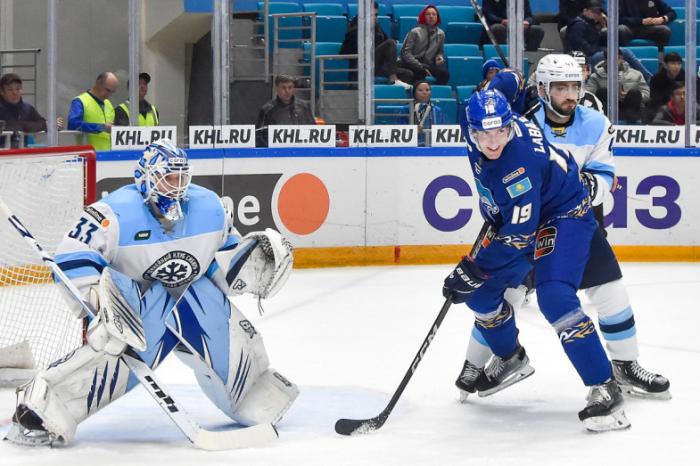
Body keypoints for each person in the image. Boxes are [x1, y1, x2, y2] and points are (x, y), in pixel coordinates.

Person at [6, 139, 299, 446]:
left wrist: (249, 268)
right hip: (136, 313)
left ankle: (253, 391)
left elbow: (221, 265)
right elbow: (71, 257)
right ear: (144, 178)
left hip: (192, 300)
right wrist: (98, 300)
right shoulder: (113, 212)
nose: (176, 187)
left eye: (181, 178)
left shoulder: (209, 207)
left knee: (205, 303)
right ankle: (48, 407)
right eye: (168, 178)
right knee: (112, 345)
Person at [457, 54, 670, 407]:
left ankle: (626, 366)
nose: (570, 94)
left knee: (610, 293)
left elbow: (605, 178)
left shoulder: (596, 123)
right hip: (525, 223)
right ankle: (479, 361)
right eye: (560, 87)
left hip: (572, 219)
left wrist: (569, 191)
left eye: (574, 86)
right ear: (542, 89)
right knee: (501, 293)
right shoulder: (517, 122)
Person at [446, 89, 629, 432]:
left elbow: (519, 234)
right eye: (484, 133)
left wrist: (474, 267)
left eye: (500, 131)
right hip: (520, 214)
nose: (493, 141)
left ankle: (605, 385)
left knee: (555, 296)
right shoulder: (474, 120)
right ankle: (509, 356)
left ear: (509, 127)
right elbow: (505, 81)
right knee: (481, 293)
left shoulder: (518, 165)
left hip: (563, 214)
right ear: (471, 129)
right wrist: (506, 81)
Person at [565, 0, 652, 82]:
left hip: (592, 53)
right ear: (585, 11)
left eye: (598, 13)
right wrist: (603, 51)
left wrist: (605, 25)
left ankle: (640, 79)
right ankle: (649, 78)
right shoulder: (578, 25)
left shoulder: (590, 23)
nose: (596, 15)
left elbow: (597, 41)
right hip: (583, 60)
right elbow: (581, 48)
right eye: (593, 12)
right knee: (624, 52)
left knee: (618, 52)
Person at [340, 1, 411, 88]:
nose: (375, 18)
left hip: (377, 65)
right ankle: (393, 79)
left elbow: (385, 44)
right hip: (362, 66)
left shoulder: (377, 28)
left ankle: (397, 98)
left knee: (408, 73)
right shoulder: (354, 30)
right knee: (390, 43)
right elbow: (344, 52)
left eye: (376, 15)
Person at [0, 73, 64, 148]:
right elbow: (14, 126)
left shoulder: (27, 108)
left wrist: (53, 124)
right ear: (2, 91)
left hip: (22, 153)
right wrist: (44, 125)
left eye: (18, 89)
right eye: (10, 89)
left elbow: (42, 123)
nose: (15, 93)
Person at [586, 49, 650, 124]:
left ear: (621, 58)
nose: (614, 62)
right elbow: (589, 95)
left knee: (635, 93)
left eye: (618, 59)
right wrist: (612, 96)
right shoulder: (595, 76)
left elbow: (647, 93)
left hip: (631, 108)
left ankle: (633, 124)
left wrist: (628, 95)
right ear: (606, 60)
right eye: (611, 59)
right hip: (607, 108)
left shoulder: (636, 74)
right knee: (602, 92)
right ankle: (605, 122)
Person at [255, 74, 315, 147]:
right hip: (276, 152)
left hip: (301, 150)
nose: (287, 91)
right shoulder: (267, 109)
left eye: (290, 87)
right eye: (283, 88)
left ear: (293, 88)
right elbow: (259, 136)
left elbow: (313, 131)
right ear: (277, 88)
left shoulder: (304, 107)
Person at [398, 5, 449, 85]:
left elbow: (440, 51)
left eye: (434, 14)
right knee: (419, 72)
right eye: (428, 14)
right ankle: (417, 93)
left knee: (444, 73)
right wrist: (420, 66)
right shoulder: (414, 32)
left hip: (427, 64)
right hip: (411, 63)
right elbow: (405, 53)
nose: (431, 16)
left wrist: (439, 57)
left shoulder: (441, 34)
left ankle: (433, 92)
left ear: (437, 17)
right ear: (423, 17)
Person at [67, 72, 119, 151]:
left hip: (109, 156)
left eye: (112, 92)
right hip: (89, 157)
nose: (109, 95)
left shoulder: (108, 104)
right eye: (107, 90)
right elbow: (72, 124)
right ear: (98, 83)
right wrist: (100, 127)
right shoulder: (80, 101)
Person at [398, 80, 444, 146]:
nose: (424, 92)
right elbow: (400, 130)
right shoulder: (406, 109)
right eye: (420, 90)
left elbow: (440, 131)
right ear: (414, 93)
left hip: (432, 145)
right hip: (411, 145)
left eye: (427, 90)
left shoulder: (437, 110)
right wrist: (412, 131)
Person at [647, 52, 684, 121]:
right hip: (662, 108)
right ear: (665, 65)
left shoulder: (686, 77)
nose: (676, 67)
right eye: (673, 63)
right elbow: (655, 100)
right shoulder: (656, 79)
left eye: (679, 64)